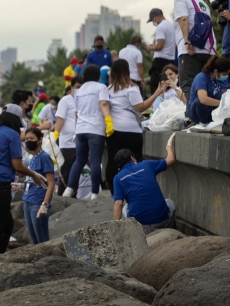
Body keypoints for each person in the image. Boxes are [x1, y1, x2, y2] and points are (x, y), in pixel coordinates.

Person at [0, 110, 47, 257]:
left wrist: (15, 171)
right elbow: (18, 166)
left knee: (7, 225)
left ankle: (0, 256)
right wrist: (33, 175)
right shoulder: (11, 134)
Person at [107, 59, 166, 188]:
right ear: (127, 71)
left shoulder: (108, 89)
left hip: (114, 131)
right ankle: (135, 188)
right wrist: (156, 93)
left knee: (113, 161)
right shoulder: (131, 88)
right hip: (131, 130)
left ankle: (115, 194)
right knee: (135, 161)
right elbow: (140, 107)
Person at [62, 65, 112, 200]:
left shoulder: (79, 90)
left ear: (84, 76)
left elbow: (77, 114)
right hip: (96, 129)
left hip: (80, 130)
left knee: (79, 160)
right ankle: (95, 193)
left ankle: (69, 189)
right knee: (95, 162)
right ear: (98, 76)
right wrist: (108, 121)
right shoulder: (101, 87)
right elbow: (104, 104)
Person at [113, 137, 177, 229]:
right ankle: (171, 230)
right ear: (132, 158)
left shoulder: (118, 178)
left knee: (125, 208)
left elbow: (118, 204)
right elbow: (171, 159)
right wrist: (168, 146)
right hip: (163, 221)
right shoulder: (146, 165)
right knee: (169, 203)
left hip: (141, 226)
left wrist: (116, 230)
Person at [172, 0, 215, 99]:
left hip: (190, 51)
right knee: (205, 86)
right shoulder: (202, 2)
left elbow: (183, 19)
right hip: (208, 50)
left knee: (188, 85)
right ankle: (206, 116)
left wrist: (187, 41)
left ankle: (192, 116)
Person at [21, 128, 56, 244]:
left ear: (40, 140)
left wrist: (44, 205)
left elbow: (51, 183)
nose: (28, 141)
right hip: (27, 201)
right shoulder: (32, 158)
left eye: (31, 138)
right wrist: (21, 185)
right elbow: (34, 181)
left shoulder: (44, 157)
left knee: (42, 241)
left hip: (37, 203)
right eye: (26, 139)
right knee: (34, 241)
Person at [187, 55, 230, 125]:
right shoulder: (201, 78)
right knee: (200, 102)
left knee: (223, 95)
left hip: (212, 111)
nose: (226, 76)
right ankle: (202, 123)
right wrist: (222, 104)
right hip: (196, 111)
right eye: (224, 74)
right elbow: (203, 99)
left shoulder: (223, 79)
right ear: (216, 72)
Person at [54, 80, 79, 190]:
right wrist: (55, 134)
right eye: (77, 87)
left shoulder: (84, 100)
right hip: (67, 143)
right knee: (66, 170)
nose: (79, 89)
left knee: (78, 171)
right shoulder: (66, 100)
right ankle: (62, 194)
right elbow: (60, 119)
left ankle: (74, 195)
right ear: (72, 88)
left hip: (80, 141)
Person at [145, 8, 177, 95]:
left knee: (156, 86)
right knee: (168, 86)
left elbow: (160, 46)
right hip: (171, 60)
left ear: (155, 18)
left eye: (152, 21)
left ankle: (155, 106)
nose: (153, 23)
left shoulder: (160, 27)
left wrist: (150, 48)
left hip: (160, 61)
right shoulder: (171, 26)